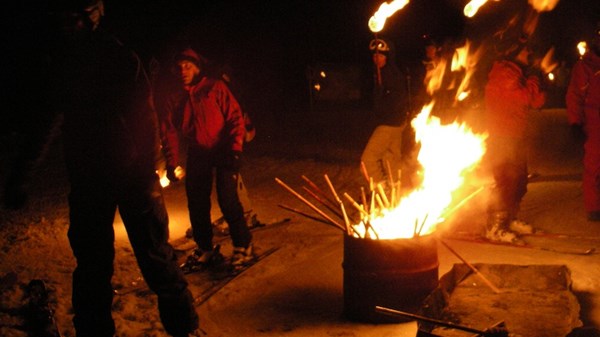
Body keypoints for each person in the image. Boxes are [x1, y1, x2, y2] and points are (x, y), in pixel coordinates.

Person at [2, 1, 200, 336]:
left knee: (156, 259)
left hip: (131, 177)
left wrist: (146, 173)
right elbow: (45, 123)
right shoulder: (63, 64)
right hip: (89, 179)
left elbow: (145, 119)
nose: (66, 27)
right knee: (92, 269)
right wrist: (22, 174)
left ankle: (185, 327)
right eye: (61, 20)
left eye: (73, 20)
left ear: (90, 19)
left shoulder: (119, 58)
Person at [159, 47, 254, 269]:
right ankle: (205, 248)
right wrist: (172, 163)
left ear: (197, 68)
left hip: (223, 149)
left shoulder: (214, 87)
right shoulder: (175, 96)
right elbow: (169, 131)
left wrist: (234, 149)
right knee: (197, 201)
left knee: (228, 199)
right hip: (198, 150)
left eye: (188, 66)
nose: (183, 71)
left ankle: (244, 245)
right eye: (180, 67)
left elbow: (234, 118)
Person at [484, 33, 546, 242]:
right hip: (502, 137)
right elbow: (524, 97)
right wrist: (535, 76)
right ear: (513, 52)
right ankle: (495, 225)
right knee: (507, 182)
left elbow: (536, 101)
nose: (529, 53)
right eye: (525, 49)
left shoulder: (519, 73)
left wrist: (536, 77)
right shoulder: (503, 73)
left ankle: (509, 218)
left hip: (516, 136)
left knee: (520, 182)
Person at [361, 37, 410, 187]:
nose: (377, 59)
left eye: (381, 56)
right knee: (391, 161)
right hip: (396, 124)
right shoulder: (379, 74)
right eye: (375, 55)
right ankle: (395, 195)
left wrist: (382, 97)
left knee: (368, 159)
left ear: (388, 57)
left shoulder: (391, 75)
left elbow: (395, 101)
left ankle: (380, 188)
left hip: (389, 124)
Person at [566, 23, 600, 221]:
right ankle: (595, 208)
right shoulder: (586, 66)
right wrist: (575, 122)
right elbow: (574, 96)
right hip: (594, 123)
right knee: (594, 166)